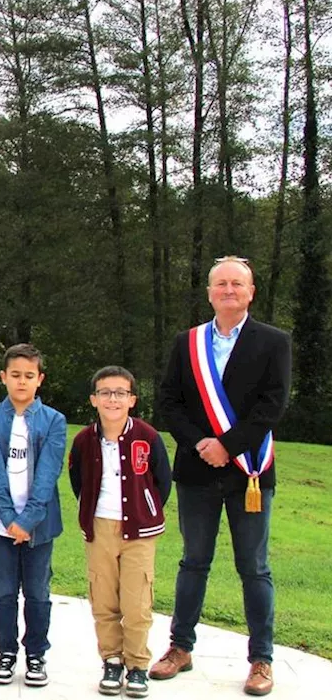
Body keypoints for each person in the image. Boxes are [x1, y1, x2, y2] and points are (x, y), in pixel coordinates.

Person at [151, 256, 292, 697]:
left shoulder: (274, 341)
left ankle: (261, 659)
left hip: (249, 471)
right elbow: (168, 403)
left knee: (254, 567)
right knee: (193, 561)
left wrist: (227, 446)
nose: (228, 291)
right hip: (196, 471)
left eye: (237, 284)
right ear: (209, 292)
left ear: (251, 292)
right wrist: (199, 444)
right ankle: (180, 647)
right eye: (220, 284)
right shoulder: (186, 342)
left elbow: (273, 406)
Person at [69, 366, 172, 698]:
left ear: (132, 399)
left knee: (137, 601)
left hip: (139, 531)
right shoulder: (85, 440)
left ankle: (138, 664)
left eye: (120, 393)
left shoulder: (148, 436)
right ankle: (111, 659)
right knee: (103, 598)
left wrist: (143, 507)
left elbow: (162, 481)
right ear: (93, 400)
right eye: (105, 393)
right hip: (100, 528)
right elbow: (77, 480)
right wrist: (92, 511)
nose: (112, 399)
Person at [0, 343, 67, 688]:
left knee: (38, 591)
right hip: (1, 524)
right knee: (4, 591)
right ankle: (6, 652)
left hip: (39, 526)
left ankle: (36, 654)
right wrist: (9, 518)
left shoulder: (54, 421)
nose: (22, 382)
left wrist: (27, 521)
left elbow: (48, 475)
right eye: (15, 375)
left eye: (29, 376)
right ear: (4, 378)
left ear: (39, 379)